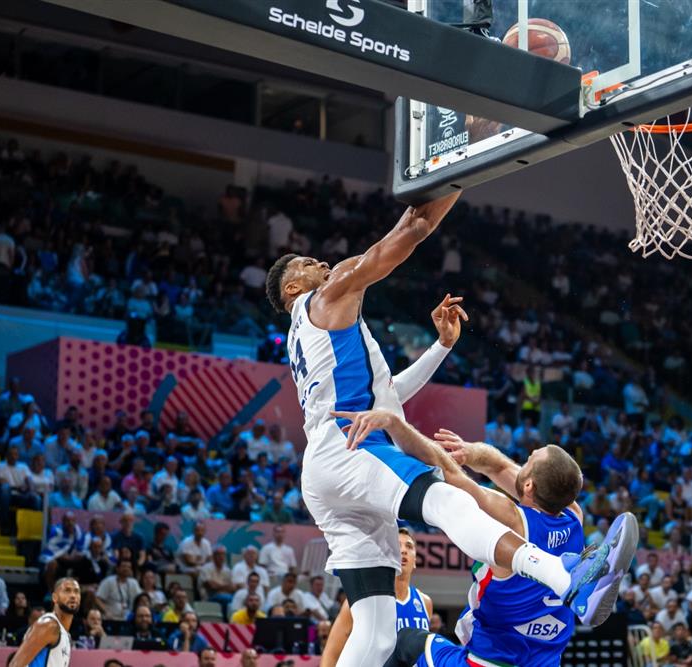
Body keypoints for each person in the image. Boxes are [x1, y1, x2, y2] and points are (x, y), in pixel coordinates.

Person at [266, 193, 628, 664]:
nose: (318, 261)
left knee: (377, 635)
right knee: (447, 499)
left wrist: (439, 346)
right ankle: (567, 580)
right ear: (293, 291)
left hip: (326, 470)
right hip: (351, 450)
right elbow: (403, 238)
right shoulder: (327, 295)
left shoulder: (312, 331)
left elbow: (388, 394)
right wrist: (455, 175)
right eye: (304, 265)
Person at [382, 423, 635, 667]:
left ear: (529, 485)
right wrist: (470, 452)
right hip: (544, 662)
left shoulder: (512, 520)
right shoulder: (574, 517)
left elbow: (447, 472)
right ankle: (591, 578)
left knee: (407, 640)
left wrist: (394, 426)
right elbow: (500, 466)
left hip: (489, 661)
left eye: (530, 459)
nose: (525, 459)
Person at [322, 528, 434, 666]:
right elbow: (331, 653)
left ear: (415, 560)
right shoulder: (362, 599)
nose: (404, 550)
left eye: (409, 546)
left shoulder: (425, 602)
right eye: (397, 545)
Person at [8, 577, 80, 667]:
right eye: (67, 591)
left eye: (76, 591)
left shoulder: (66, 635)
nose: (73, 595)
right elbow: (15, 665)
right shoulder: (48, 625)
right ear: (54, 597)